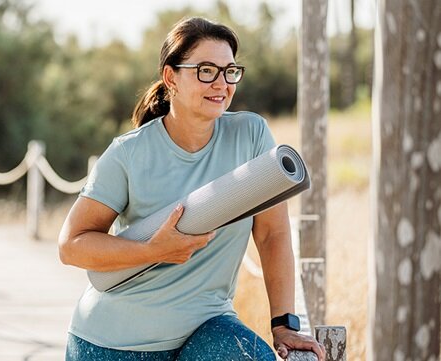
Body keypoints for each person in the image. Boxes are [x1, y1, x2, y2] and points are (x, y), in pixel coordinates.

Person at [58, 17, 325, 361]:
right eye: (206, 70)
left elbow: (272, 234)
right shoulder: (128, 153)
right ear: (171, 78)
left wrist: (284, 324)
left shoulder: (251, 135)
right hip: (114, 342)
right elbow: (71, 245)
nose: (222, 83)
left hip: (207, 326)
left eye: (230, 71)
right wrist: (154, 250)